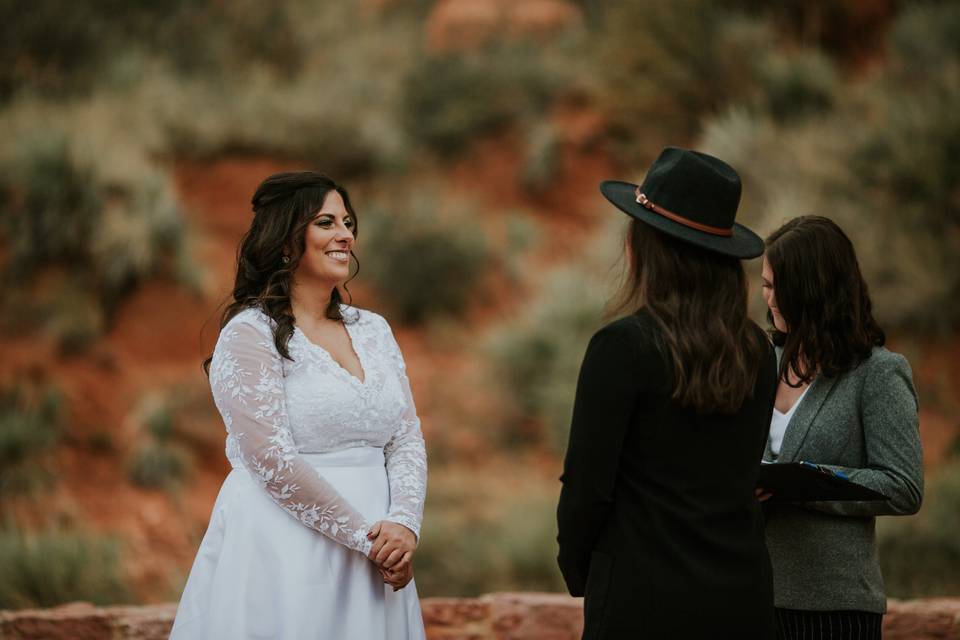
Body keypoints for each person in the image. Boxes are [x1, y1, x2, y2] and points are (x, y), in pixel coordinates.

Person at [170, 172, 427, 639]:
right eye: (326, 222)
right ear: (287, 243)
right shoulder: (249, 335)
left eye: (347, 222)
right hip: (286, 546)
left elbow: (405, 434)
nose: (345, 234)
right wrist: (368, 540)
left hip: (380, 553)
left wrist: (404, 525)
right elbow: (269, 459)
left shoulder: (373, 329)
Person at [557, 147, 778, 639]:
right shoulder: (759, 352)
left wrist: (582, 571)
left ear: (650, 248)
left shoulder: (621, 347)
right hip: (741, 598)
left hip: (642, 600)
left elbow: (587, 488)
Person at [759, 215, 923, 639]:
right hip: (751, 592)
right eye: (765, 284)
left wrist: (810, 484)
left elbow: (903, 486)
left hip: (832, 606)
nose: (769, 298)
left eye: (780, 287)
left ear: (815, 290)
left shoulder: (879, 373)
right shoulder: (759, 361)